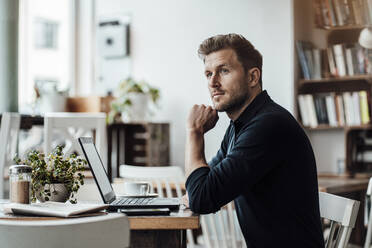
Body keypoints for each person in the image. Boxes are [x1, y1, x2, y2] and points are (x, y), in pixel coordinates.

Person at [184, 34, 324, 247]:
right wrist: (196, 192)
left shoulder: (268, 126)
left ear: (252, 77)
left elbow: (201, 198)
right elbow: (203, 187)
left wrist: (194, 131)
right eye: (208, 73)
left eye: (224, 71)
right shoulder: (240, 126)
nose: (213, 82)